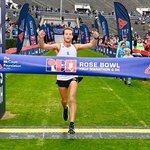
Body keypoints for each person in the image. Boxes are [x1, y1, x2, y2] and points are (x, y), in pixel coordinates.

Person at [38, 27, 99, 134]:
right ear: (63, 35)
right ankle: (65, 108)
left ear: (72, 36)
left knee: (72, 98)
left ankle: (72, 125)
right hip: (61, 78)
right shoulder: (58, 46)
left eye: (70, 34)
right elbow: (43, 46)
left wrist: (96, 38)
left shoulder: (75, 47)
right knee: (64, 101)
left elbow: (91, 45)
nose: (68, 36)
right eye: (66, 34)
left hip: (73, 76)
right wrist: (41, 38)